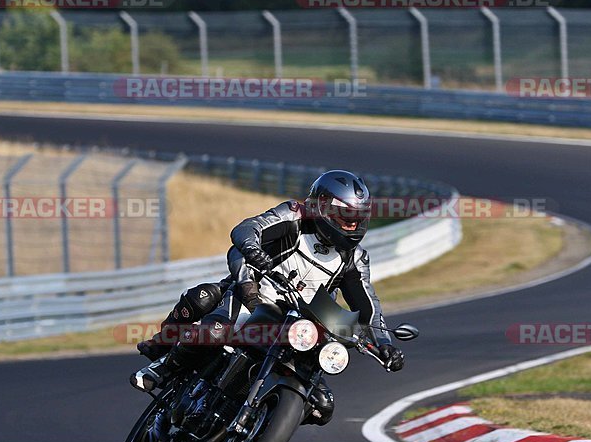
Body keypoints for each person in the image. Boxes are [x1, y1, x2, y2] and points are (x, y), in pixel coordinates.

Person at [131, 170, 405, 425]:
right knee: (212, 328)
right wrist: (253, 253)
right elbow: (246, 229)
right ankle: (164, 367)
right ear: (324, 208)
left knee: (323, 407)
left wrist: (384, 344)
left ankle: (263, 426)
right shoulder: (294, 215)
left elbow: (368, 306)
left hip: (304, 324)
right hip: (257, 297)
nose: (353, 224)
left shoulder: (355, 258)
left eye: (358, 218)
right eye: (347, 217)